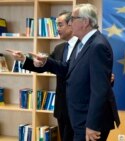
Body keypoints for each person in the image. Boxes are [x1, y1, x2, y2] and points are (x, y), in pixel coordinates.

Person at [10, 4, 120, 141]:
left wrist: (92, 124)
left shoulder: (98, 45)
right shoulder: (83, 44)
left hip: (89, 121)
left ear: (85, 22)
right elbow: (67, 68)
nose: (70, 23)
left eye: (72, 19)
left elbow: (100, 89)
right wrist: (45, 62)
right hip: (76, 115)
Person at [7, 11, 76, 141]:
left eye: (60, 25)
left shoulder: (83, 47)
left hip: (79, 109)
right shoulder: (59, 48)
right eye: (56, 25)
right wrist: (23, 59)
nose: (57, 29)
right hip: (62, 109)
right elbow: (43, 66)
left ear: (71, 25)